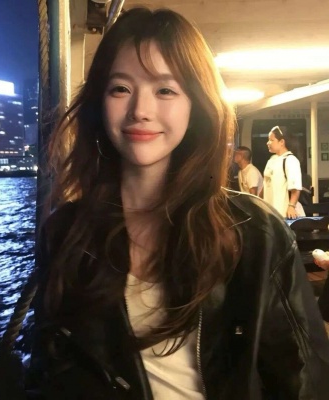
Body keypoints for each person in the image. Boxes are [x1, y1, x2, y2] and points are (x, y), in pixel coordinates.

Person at [29, 7, 329, 400]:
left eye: (165, 90)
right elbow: (51, 372)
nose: (140, 110)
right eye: (120, 88)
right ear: (99, 103)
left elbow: (304, 382)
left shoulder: (258, 234)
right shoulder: (66, 233)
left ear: (196, 105)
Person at [263, 126, 305, 219]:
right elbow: (266, 183)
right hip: (271, 212)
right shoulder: (271, 160)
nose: (268, 143)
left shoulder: (290, 160)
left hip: (283, 212)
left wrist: (291, 206)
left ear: (281, 142)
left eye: (271, 140)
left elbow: (295, 188)